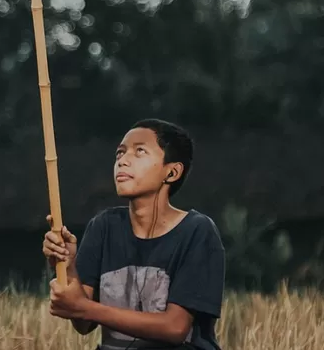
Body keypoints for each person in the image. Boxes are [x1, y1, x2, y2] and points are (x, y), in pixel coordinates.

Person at [42, 119, 225, 350]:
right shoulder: (103, 227)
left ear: (172, 171)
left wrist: (84, 307)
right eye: (120, 153)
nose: (123, 161)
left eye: (140, 151)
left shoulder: (197, 231)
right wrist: (67, 266)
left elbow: (175, 328)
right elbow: (83, 323)